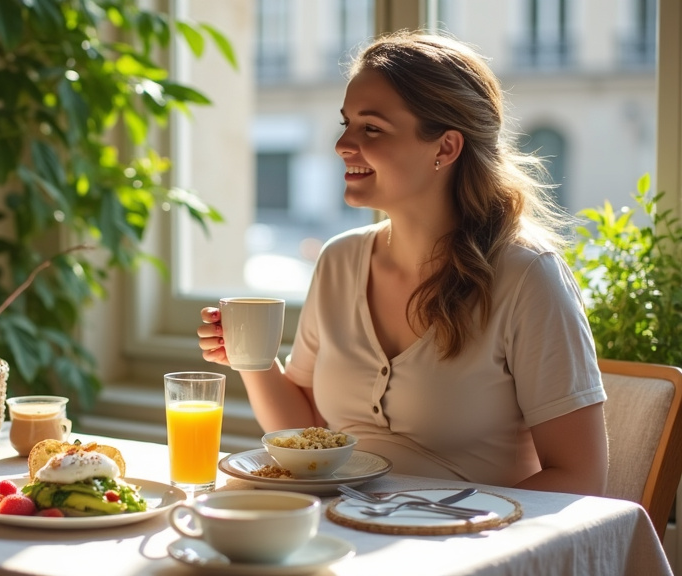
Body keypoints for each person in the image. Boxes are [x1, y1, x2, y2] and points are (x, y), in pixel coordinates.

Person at [197, 31, 608, 496]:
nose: (342, 144)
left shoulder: (527, 276)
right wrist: (250, 358)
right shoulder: (339, 260)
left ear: (445, 148)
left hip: (467, 532)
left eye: (371, 128)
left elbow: (581, 476)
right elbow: (305, 429)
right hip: (340, 522)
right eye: (346, 123)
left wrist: (452, 528)